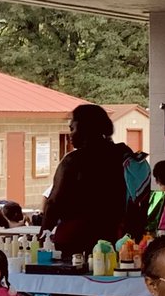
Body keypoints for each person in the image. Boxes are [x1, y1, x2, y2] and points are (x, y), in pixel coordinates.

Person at [44, 103, 134, 255]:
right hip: (114, 238)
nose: (70, 135)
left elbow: (54, 202)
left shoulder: (73, 161)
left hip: (75, 237)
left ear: (86, 127)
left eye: (72, 128)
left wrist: (44, 234)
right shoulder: (123, 155)